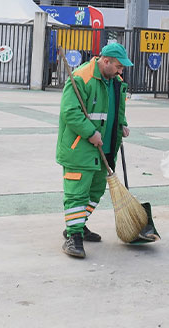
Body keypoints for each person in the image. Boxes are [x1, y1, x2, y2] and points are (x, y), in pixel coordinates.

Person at [57, 43, 133, 258]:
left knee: (96, 191)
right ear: (105, 61)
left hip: (106, 149)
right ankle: (73, 236)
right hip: (80, 149)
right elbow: (70, 112)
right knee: (77, 194)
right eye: (118, 66)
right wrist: (90, 133)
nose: (121, 71)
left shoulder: (116, 82)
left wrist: (122, 124)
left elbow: (117, 108)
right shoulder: (81, 78)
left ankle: (79, 224)